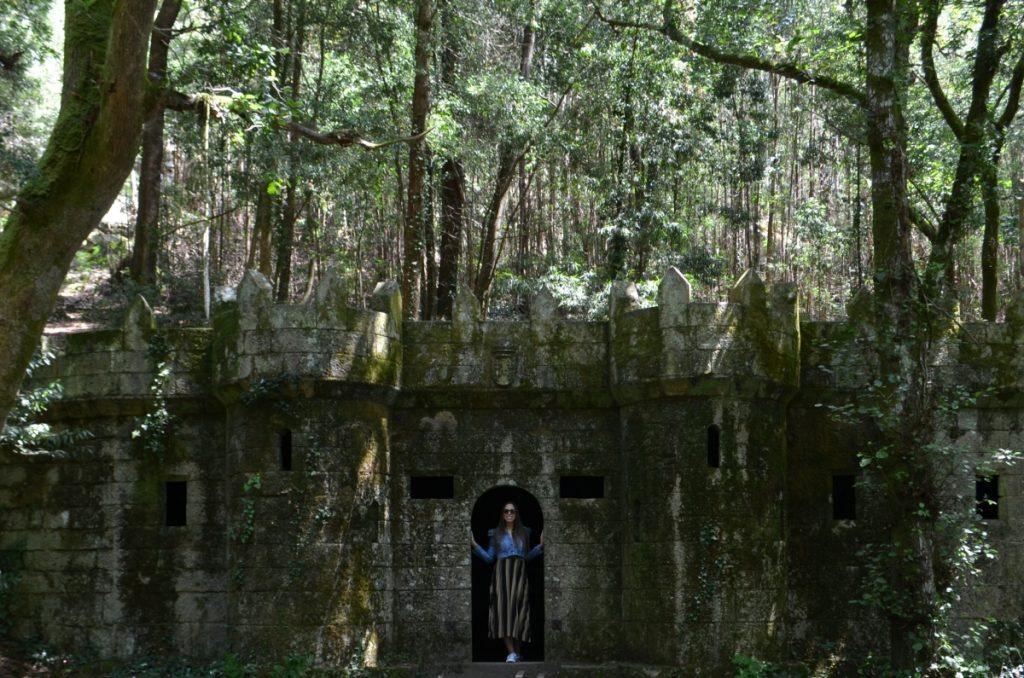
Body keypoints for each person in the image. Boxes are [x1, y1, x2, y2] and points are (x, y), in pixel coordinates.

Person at [470, 501, 544, 663]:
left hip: (519, 574)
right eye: (506, 511)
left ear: (516, 513)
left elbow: (527, 556)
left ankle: (518, 652)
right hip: (501, 574)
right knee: (503, 612)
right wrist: (474, 545)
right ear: (502, 514)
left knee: (519, 612)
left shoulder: (525, 532)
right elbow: (489, 558)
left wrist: (540, 546)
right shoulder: (494, 533)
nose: (509, 513)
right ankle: (511, 653)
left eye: (512, 511)